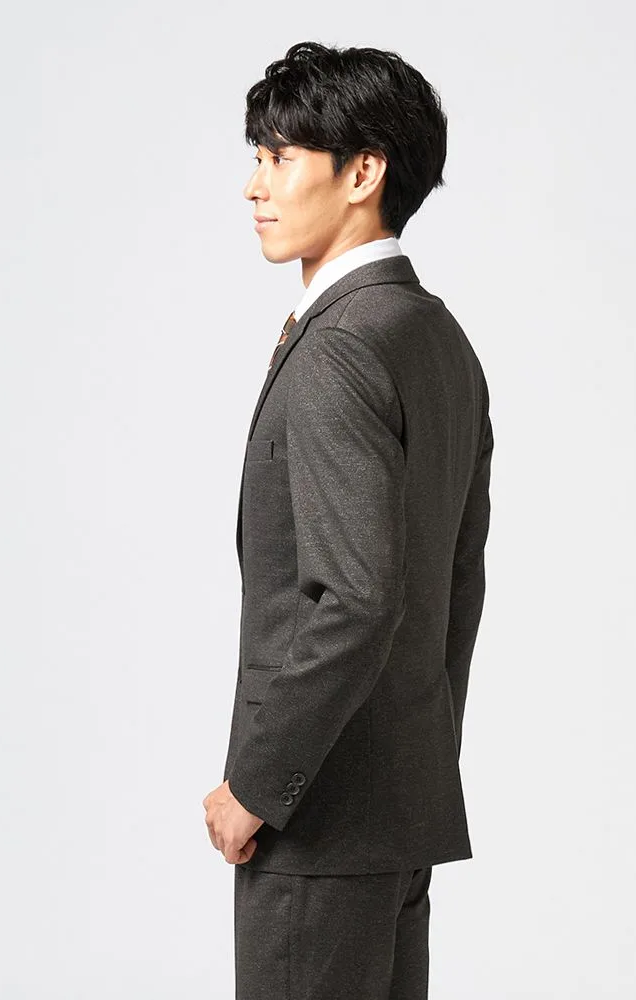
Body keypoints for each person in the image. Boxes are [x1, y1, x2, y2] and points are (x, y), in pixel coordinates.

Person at [202, 40, 494, 999]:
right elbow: (455, 586)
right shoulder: (438, 339)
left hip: (318, 827)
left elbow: (358, 600)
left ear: (363, 172)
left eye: (281, 157)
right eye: (257, 156)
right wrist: (417, 761)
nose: (255, 185)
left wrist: (260, 784)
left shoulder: (341, 347)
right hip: (395, 816)